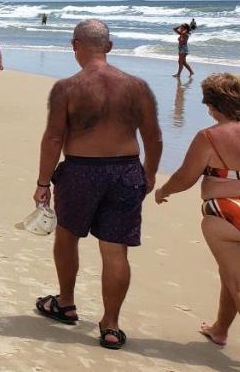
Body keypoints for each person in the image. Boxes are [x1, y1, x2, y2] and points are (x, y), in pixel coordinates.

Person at [33, 19, 162, 351]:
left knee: (67, 237)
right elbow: (153, 136)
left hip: (80, 171)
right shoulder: (136, 86)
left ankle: (65, 303)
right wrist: (149, 173)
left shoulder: (67, 88)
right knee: (115, 249)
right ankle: (111, 325)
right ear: (110, 46)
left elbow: (53, 138)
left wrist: (43, 182)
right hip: (126, 171)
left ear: (75, 45)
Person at [155, 74, 240, 371]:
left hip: (228, 215)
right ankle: (220, 329)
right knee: (238, 272)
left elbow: (185, 178)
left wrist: (164, 191)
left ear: (213, 105)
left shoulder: (209, 136)